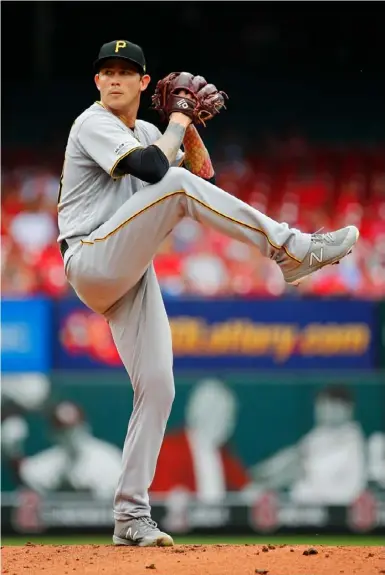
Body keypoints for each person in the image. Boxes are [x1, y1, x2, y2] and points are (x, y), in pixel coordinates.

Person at [57, 39, 359, 547]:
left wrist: (189, 124)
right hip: (90, 258)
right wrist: (177, 120)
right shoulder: (93, 122)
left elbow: (202, 179)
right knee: (171, 183)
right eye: (105, 72)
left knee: (159, 386)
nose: (113, 80)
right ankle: (291, 249)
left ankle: (131, 515)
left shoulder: (149, 131)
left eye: (125, 73)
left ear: (143, 82)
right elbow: (158, 173)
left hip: (127, 273)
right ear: (96, 82)